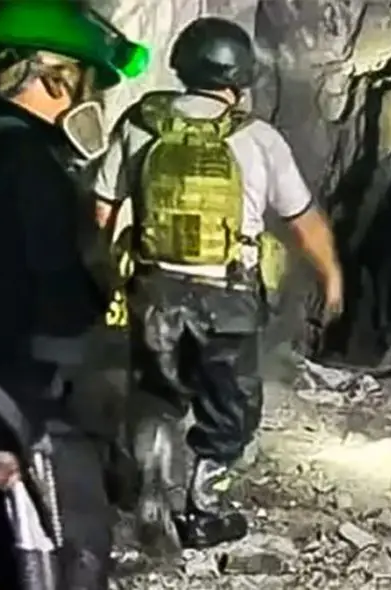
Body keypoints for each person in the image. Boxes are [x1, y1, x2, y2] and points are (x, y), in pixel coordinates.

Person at [93, 16, 344, 550]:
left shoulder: (142, 124)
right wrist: (331, 275)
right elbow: (303, 220)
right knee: (230, 408)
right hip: (226, 298)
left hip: (155, 289)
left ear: (182, 66)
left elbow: (100, 206)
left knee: (157, 395)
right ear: (241, 76)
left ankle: (149, 499)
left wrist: (93, 273)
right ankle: (205, 509)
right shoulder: (257, 137)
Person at [0, 3, 147, 588]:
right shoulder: (13, 160)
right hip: (33, 409)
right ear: (54, 76)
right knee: (59, 561)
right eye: (89, 78)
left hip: (32, 395)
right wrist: (5, 432)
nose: (91, 95)